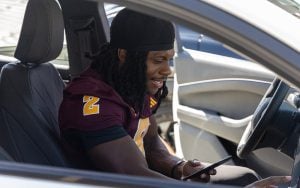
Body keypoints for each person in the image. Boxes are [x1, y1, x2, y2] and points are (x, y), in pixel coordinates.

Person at [59, 8, 290, 187]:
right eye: (158, 60)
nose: (168, 70)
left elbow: (151, 144)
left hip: (141, 179)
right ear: (124, 56)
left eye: (169, 59)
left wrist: (180, 167)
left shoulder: (129, 85)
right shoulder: (91, 104)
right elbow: (136, 177)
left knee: (243, 176)